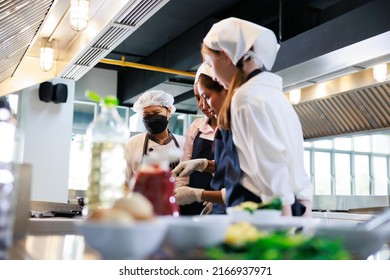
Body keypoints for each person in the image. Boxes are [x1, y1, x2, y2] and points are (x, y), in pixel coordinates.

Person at [176, 17, 313, 217]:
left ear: (225, 56)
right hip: (288, 210)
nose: (213, 76)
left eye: (209, 63)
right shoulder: (274, 95)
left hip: (264, 216)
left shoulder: (244, 98)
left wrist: (284, 229)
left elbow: (271, 171)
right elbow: (293, 169)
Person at [175, 64, 223, 215]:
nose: (202, 105)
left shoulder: (235, 126)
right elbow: (228, 168)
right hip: (196, 203)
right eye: (198, 98)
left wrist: (218, 199)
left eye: (206, 97)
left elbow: (240, 176)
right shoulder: (196, 128)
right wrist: (181, 193)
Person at [125, 90, 185, 190]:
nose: (151, 118)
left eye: (156, 113)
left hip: (176, 202)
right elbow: (124, 183)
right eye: (146, 115)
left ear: (169, 111)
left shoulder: (184, 143)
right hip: (142, 203)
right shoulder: (133, 143)